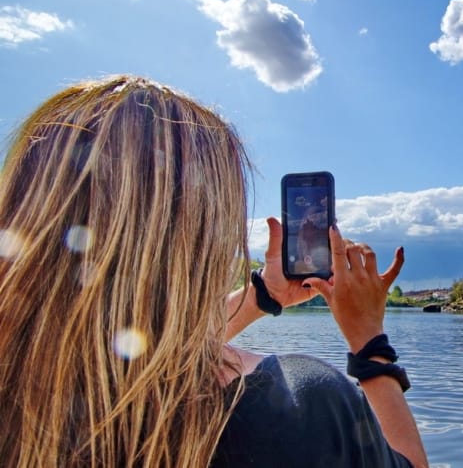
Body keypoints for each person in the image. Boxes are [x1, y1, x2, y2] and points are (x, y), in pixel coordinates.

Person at [0, 76, 428, 468]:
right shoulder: (303, 405)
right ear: (203, 236)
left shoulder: (26, 391)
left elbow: (139, 353)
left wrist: (264, 294)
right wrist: (370, 344)